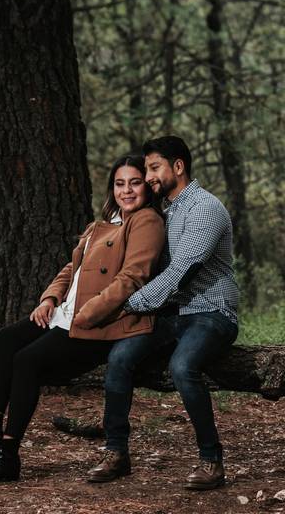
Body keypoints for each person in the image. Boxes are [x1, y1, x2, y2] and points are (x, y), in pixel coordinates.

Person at [0, 155, 166, 483]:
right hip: (65, 314)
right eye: (120, 184)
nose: (127, 190)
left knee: (26, 361)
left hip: (100, 323)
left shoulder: (146, 221)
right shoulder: (104, 222)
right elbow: (72, 268)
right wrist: (50, 298)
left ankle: (8, 455)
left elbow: (132, 277)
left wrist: (87, 314)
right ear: (112, 188)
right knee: (8, 338)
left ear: (146, 188)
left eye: (135, 182)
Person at [87, 136, 239, 490]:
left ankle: (211, 460)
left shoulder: (205, 208)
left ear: (178, 166)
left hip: (211, 312)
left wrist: (129, 304)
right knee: (120, 357)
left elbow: (182, 271)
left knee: (183, 367)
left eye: (155, 168)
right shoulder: (163, 211)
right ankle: (116, 452)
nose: (149, 176)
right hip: (171, 314)